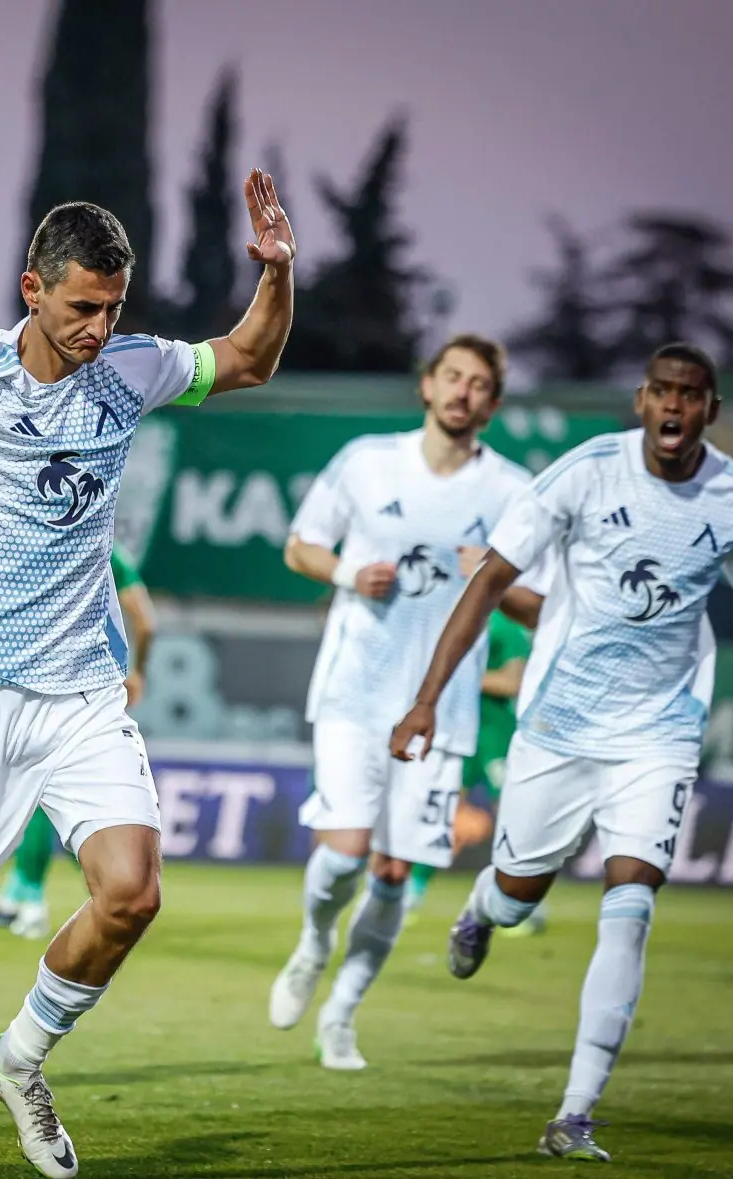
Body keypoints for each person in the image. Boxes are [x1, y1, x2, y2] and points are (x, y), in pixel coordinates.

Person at [0, 177, 294, 1178]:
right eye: (82, 306)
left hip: (82, 689)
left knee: (131, 895)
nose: (98, 327)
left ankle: (19, 1056)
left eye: (113, 307)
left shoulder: (131, 367)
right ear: (32, 289)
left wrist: (277, 275)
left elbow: (248, 358)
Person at [390, 342, 733, 1162]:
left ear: (711, 411)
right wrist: (427, 698)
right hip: (559, 724)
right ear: (642, 400)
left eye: (692, 394)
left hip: (659, 732)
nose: (675, 405)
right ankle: (483, 910)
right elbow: (490, 580)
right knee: (518, 891)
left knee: (633, 901)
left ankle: (574, 1113)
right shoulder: (586, 472)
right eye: (663, 391)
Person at [268, 334, 543, 1070]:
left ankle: (341, 1014)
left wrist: (496, 580)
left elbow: (543, 606)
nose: (462, 391)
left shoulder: (513, 491)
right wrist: (349, 573)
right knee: (343, 855)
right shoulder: (367, 461)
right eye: (451, 376)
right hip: (354, 693)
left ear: (493, 402)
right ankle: (313, 942)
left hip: (444, 710)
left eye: (478, 383)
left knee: (393, 873)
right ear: (427, 385)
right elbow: (300, 546)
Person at [0, 544, 155, 940]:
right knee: (64, 797)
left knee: (38, 791)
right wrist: (137, 672)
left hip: (50, 683)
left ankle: (31, 898)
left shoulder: (43, 547)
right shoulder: (110, 552)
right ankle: (27, 893)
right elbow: (146, 622)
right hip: (99, 687)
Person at [402, 608, 541, 933]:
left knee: (511, 816)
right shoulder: (441, 615)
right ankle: (410, 892)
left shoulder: (504, 624)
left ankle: (516, 901)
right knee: (440, 811)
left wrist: (456, 676)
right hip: (453, 731)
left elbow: (512, 681)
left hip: (495, 734)